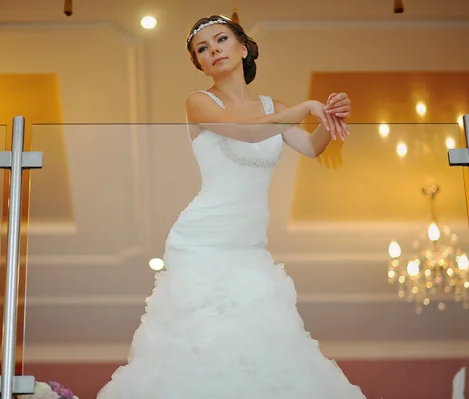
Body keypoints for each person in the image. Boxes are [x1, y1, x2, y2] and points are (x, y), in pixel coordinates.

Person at [97, 14, 365, 399]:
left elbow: (310, 147)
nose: (213, 50)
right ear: (200, 64)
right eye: (202, 49)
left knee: (262, 350)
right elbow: (248, 132)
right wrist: (308, 106)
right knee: (203, 347)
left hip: (250, 247)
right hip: (201, 241)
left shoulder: (275, 106)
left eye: (220, 40)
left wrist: (330, 117)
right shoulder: (199, 102)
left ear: (242, 48)